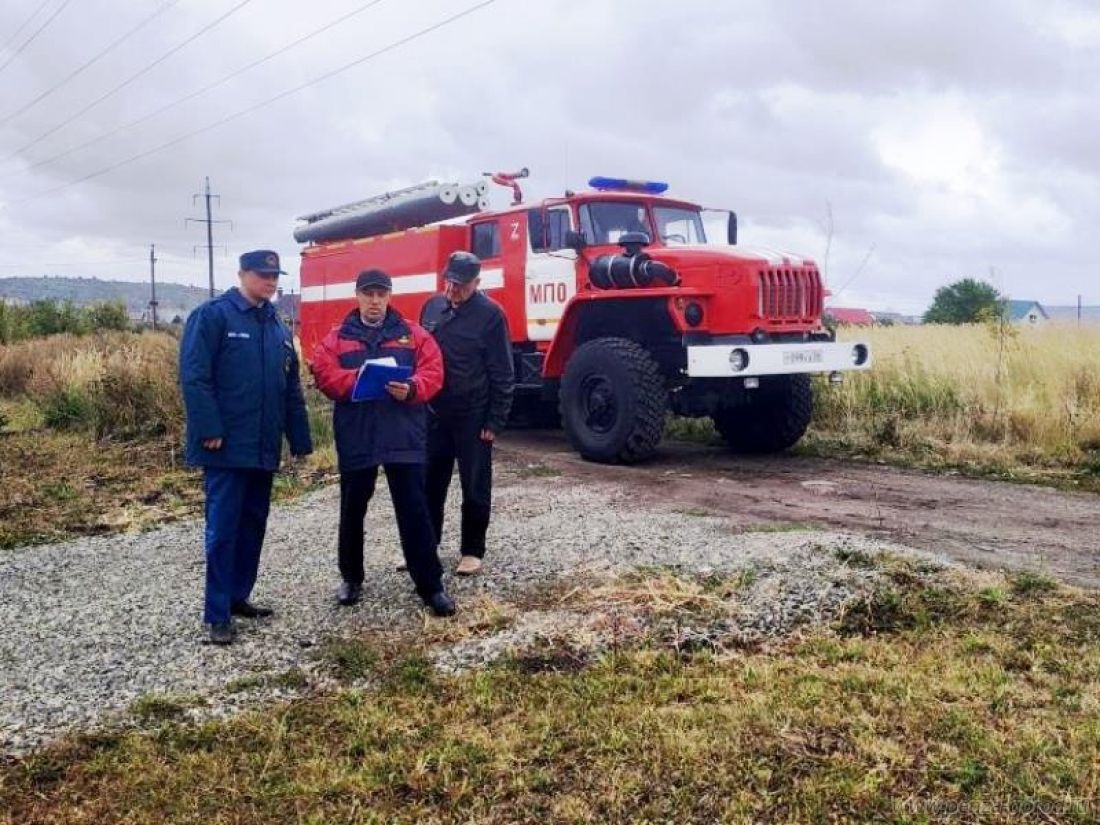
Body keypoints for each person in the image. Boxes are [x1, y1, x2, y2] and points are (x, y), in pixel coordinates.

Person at [179, 249, 312, 645]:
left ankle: (239, 597)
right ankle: (217, 613)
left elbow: (289, 385)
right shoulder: (214, 316)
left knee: (253, 524)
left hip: (263, 446)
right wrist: (208, 428)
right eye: (262, 275)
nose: (270, 281)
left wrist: (300, 438)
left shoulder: (275, 324)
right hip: (226, 445)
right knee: (223, 530)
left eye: (274, 275)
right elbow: (194, 376)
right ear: (242, 274)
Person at [311, 269, 456, 617]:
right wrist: (356, 382)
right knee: (352, 509)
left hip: (402, 435)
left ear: (389, 296)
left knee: (414, 510)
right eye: (368, 294)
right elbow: (323, 372)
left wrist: (413, 388)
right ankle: (351, 578)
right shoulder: (338, 337)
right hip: (357, 435)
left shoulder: (413, 335)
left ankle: (431, 585)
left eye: (381, 294)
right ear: (357, 295)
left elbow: (433, 371)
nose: (375, 301)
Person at [420, 250, 514, 576]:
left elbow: (503, 371)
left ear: (476, 282)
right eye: (449, 281)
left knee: (474, 484)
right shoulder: (432, 307)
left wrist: (495, 420)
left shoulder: (491, 315)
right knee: (430, 482)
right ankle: (425, 545)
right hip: (434, 412)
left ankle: (472, 550)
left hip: (473, 414)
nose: (452, 289)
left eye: (460, 285)